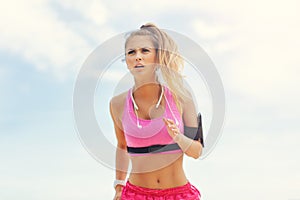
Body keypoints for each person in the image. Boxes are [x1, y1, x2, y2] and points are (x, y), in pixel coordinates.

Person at [109, 23, 204, 200]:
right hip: (135, 195)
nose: (138, 57)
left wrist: (178, 138)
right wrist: (118, 187)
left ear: (157, 56)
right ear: (126, 60)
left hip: (179, 194)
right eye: (131, 52)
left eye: (145, 51)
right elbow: (122, 146)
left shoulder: (181, 97)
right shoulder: (117, 103)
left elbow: (197, 151)